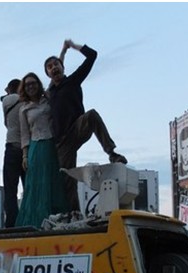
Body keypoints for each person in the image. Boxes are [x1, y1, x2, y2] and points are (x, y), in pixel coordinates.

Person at [44, 39, 127, 212]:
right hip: (62, 142)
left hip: (77, 128)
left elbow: (92, 55)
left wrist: (72, 46)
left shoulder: (73, 80)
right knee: (66, 177)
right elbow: (56, 69)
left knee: (92, 115)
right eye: (50, 67)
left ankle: (112, 153)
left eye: (56, 65)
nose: (54, 68)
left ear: (63, 68)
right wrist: (62, 52)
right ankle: (74, 213)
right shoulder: (49, 92)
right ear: (48, 74)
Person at [16, 73, 70, 228]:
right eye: (27, 84)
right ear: (24, 88)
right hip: (35, 146)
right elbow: (24, 134)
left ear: (38, 84)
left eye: (33, 83)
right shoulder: (24, 109)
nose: (31, 86)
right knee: (36, 184)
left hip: (52, 144)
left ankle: (57, 218)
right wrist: (25, 155)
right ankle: (37, 220)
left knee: (53, 180)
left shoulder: (48, 100)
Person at [1, 78, 25, 228]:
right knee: (28, 187)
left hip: (11, 147)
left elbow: (6, 123)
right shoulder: (27, 101)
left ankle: (11, 223)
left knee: (10, 189)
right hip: (27, 148)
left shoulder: (6, 101)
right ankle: (28, 218)